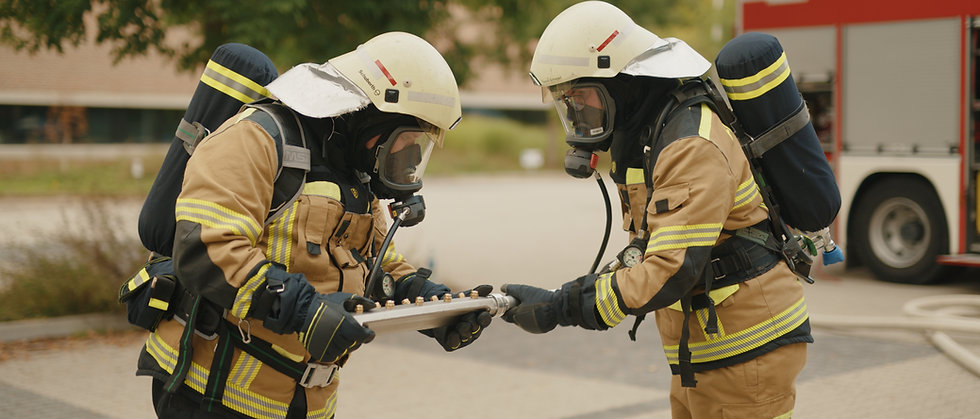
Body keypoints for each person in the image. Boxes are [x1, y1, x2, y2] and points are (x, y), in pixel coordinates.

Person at [136, 32, 491, 419]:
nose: (407, 161)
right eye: (405, 142)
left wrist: (435, 304)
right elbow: (208, 246)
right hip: (211, 394)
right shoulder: (256, 137)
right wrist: (304, 310)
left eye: (417, 149)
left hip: (307, 404)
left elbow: (377, 264)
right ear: (371, 117)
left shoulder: (354, 171)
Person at [501, 2, 811, 418]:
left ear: (620, 83)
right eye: (567, 104)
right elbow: (648, 250)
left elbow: (669, 269)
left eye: (582, 98)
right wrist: (560, 298)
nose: (578, 117)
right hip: (707, 354)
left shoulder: (689, 144)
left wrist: (562, 306)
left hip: (747, 354)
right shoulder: (653, 132)